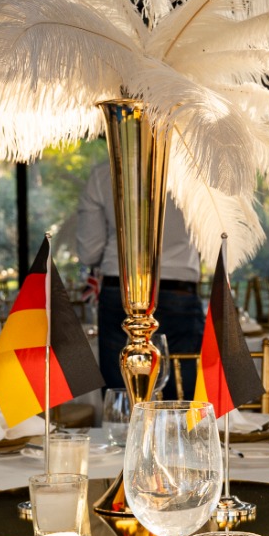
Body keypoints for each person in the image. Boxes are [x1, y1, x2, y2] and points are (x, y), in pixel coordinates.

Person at [75, 162, 205, 391]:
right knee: (182, 391)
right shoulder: (193, 172)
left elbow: (89, 252)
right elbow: (212, 243)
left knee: (123, 391)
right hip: (179, 288)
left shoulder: (104, 173)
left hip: (121, 287)